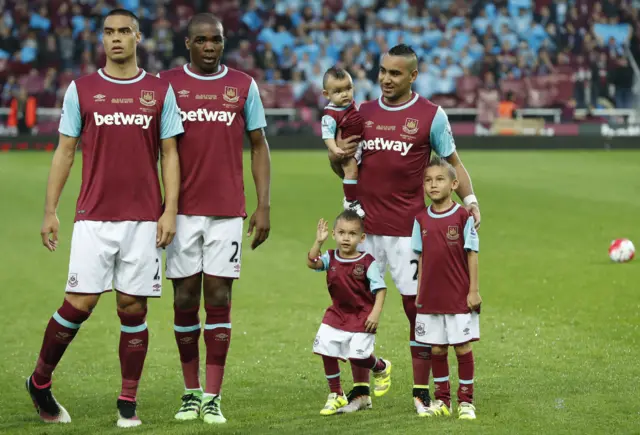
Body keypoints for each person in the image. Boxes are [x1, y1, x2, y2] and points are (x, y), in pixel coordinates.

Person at [28, 9, 183, 428]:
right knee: (80, 303)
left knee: (133, 308)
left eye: (124, 32)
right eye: (109, 32)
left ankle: (127, 402)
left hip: (143, 220)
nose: (116, 39)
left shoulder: (159, 90)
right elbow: (65, 150)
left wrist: (169, 209)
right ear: (102, 39)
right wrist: (50, 211)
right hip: (93, 217)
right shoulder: (82, 89)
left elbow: (170, 153)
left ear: (138, 37)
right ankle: (40, 381)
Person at [328, 44, 481, 416]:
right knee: (357, 308)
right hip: (366, 231)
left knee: (418, 311)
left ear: (413, 75)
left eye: (395, 73)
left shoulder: (431, 115)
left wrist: (472, 200)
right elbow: (345, 167)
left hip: (409, 232)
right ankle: (361, 390)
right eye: (382, 71)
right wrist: (335, 157)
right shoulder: (360, 113)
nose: (385, 79)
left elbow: (452, 163)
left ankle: (421, 392)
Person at [159, 13, 271, 425]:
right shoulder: (166, 83)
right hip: (181, 212)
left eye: (217, 40)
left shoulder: (243, 85)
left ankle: (212, 396)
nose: (210, 47)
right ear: (188, 43)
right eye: (202, 40)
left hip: (227, 212)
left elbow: (259, 145)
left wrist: (264, 204)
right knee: (184, 298)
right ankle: (189, 393)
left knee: (220, 298)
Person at [411, 156, 481, 420]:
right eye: (428, 180)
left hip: (458, 295)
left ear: (454, 184)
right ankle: (442, 401)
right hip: (430, 297)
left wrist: (473, 291)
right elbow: (421, 258)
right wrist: (419, 292)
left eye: (439, 179)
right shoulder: (420, 220)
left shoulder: (464, 217)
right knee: (437, 349)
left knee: (462, 347)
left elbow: (472, 254)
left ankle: (466, 402)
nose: (433, 185)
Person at [307, 211, 392, 415]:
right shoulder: (330, 257)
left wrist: (375, 314)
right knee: (325, 348)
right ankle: (336, 394)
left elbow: (381, 289)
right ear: (334, 234)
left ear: (361, 238)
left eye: (352, 234)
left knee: (359, 356)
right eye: (342, 233)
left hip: (363, 315)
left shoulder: (367, 262)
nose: (346, 238)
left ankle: (380, 366)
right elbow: (312, 262)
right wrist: (318, 242)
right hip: (337, 313)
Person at [321, 67, 365, 218]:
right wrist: (335, 149)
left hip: (360, 145)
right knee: (351, 172)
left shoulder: (351, 104)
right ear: (326, 94)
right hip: (348, 151)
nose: (345, 94)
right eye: (338, 92)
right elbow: (327, 136)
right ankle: (350, 201)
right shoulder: (330, 114)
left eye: (348, 88)